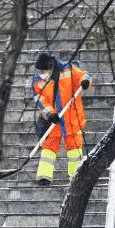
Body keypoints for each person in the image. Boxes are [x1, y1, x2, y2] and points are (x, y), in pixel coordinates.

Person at [32, 52, 91, 185]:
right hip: (54, 119)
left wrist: (85, 81)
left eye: (43, 71)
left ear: (51, 67)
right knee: (49, 147)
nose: (41, 73)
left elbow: (84, 75)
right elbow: (40, 101)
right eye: (39, 71)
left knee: (74, 148)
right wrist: (50, 114)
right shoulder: (37, 80)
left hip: (72, 116)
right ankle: (44, 176)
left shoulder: (68, 69)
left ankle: (75, 176)